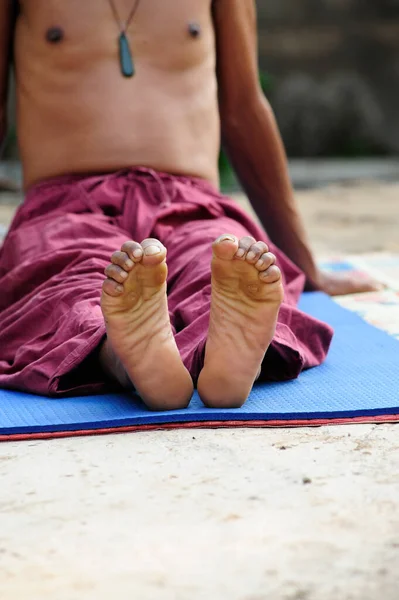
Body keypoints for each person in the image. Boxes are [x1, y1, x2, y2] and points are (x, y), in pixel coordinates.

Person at [0, 0, 380, 410]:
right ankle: (129, 354)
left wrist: (308, 268)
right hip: (66, 204)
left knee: (222, 264)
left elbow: (243, 109)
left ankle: (223, 357)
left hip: (191, 200)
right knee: (66, 277)